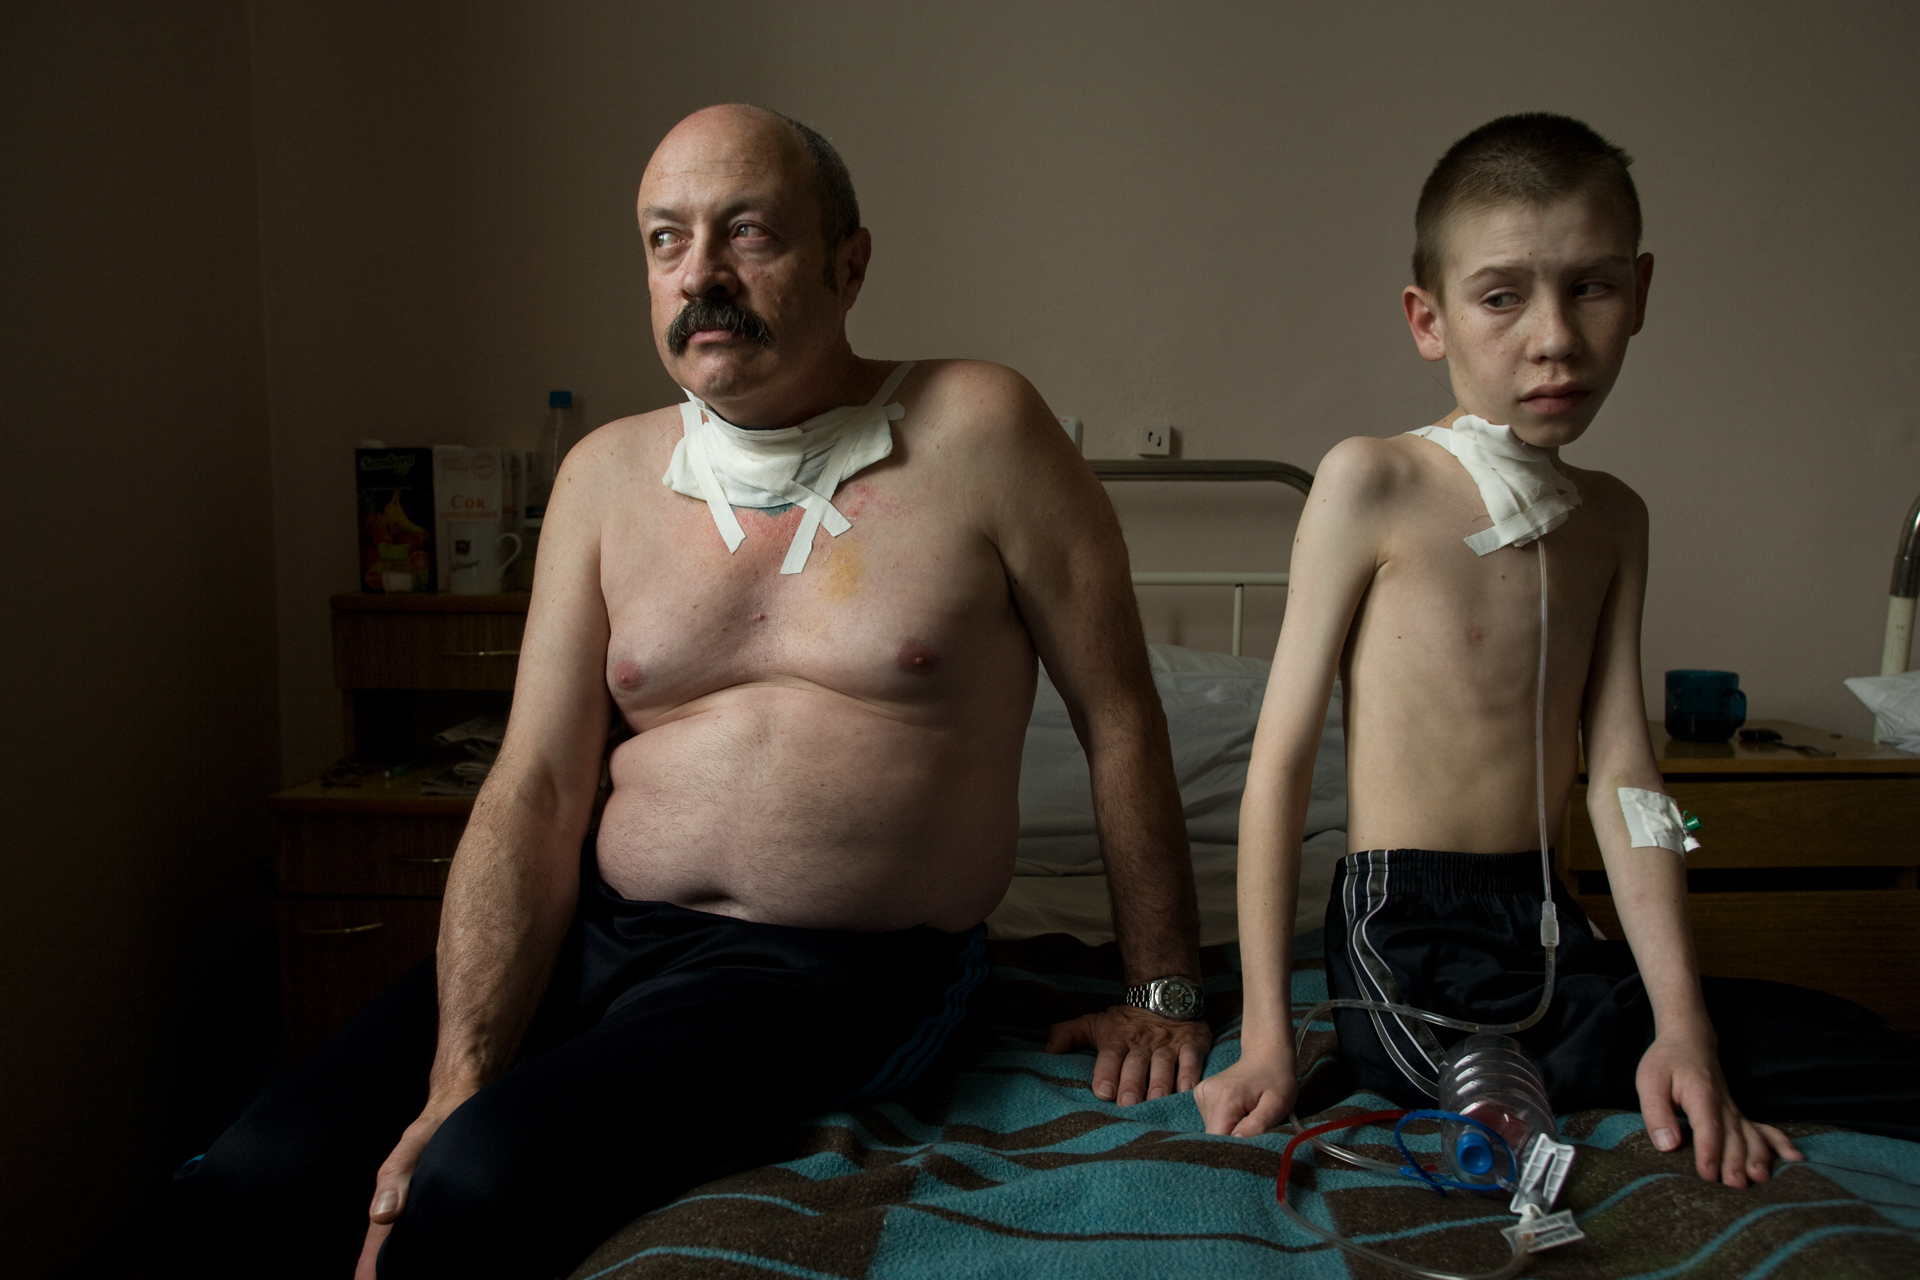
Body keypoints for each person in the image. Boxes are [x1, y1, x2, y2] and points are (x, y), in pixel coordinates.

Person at [167, 104, 1209, 1279]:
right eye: (667, 240)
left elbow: (1118, 713)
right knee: (256, 1174)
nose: (700, 273)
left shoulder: (983, 428)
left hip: (834, 967)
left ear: (849, 261)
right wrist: (462, 1067)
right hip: (601, 931)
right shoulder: (605, 473)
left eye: (748, 232)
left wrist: (1160, 987)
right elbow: (538, 777)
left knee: (474, 1182)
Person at [1195, 113, 1920, 1184]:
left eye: (1592, 286)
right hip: (1407, 931)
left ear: (1641, 288)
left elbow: (1627, 776)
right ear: (1427, 319)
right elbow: (1282, 763)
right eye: (1501, 296)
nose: (1554, 336)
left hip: (1549, 923)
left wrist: (1683, 1024)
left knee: (1834, 1038)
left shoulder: (1613, 518)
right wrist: (1265, 1034)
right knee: (1507, 1073)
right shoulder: (1373, 482)